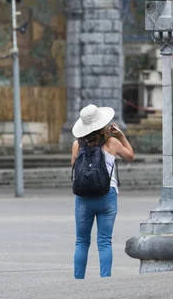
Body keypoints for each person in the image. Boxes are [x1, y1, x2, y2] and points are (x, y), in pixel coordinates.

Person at [71, 104, 135, 279]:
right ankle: (105, 281)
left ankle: (78, 281)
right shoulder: (112, 143)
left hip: (83, 198)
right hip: (107, 196)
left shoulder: (77, 145)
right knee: (104, 241)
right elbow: (130, 156)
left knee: (81, 242)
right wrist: (121, 136)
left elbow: (74, 167)